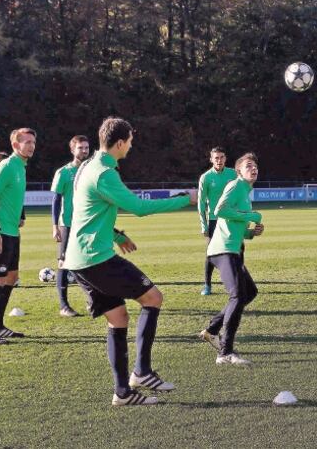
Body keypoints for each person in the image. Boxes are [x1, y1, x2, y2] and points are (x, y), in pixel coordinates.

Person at [64, 117, 196, 406]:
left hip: (79, 258)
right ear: (121, 142)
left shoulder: (89, 166)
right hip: (95, 259)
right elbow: (138, 207)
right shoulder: (104, 173)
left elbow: (84, 211)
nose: (131, 147)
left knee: (118, 318)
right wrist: (185, 199)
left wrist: (115, 234)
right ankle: (142, 372)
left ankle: (123, 392)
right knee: (153, 297)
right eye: (131, 142)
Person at [198, 153, 266, 365]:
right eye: (248, 166)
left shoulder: (246, 192)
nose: (253, 168)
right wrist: (250, 216)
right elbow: (220, 210)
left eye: (255, 166)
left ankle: (211, 330)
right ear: (239, 171)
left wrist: (250, 233)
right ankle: (225, 352)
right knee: (237, 295)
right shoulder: (236, 185)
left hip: (232, 249)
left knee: (249, 292)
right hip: (222, 250)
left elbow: (232, 223)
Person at [0, 129, 35, 345]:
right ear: (15, 145)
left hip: (12, 231)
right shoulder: (7, 165)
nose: (31, 146)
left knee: (11, 278)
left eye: (33, 142)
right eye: (27, 142)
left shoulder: (21, 167)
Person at [50, 135, 90, 317]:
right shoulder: (64, 172)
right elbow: (56, 200)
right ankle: (63, 305)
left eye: (86, 148)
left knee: (89, 261)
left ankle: (92, 301)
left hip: (87, 223)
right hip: (67, 224)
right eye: (80, 148)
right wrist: (54, 226)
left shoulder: (90, 171)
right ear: (73, 150)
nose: (84, 151)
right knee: (63, 263)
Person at [197, 147, 238, 295]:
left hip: (231, 219)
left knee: (236, 250)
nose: (219, 160)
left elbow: (239, 194)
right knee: (211, 253)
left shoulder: (233, 174)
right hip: (214, 220)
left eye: (221, 157)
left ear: (225, 158)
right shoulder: (206, 177)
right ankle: (207, 285)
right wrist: (204, 225)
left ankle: (236, 283)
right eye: (216, 158)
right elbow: (201, 203)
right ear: (211, 160)